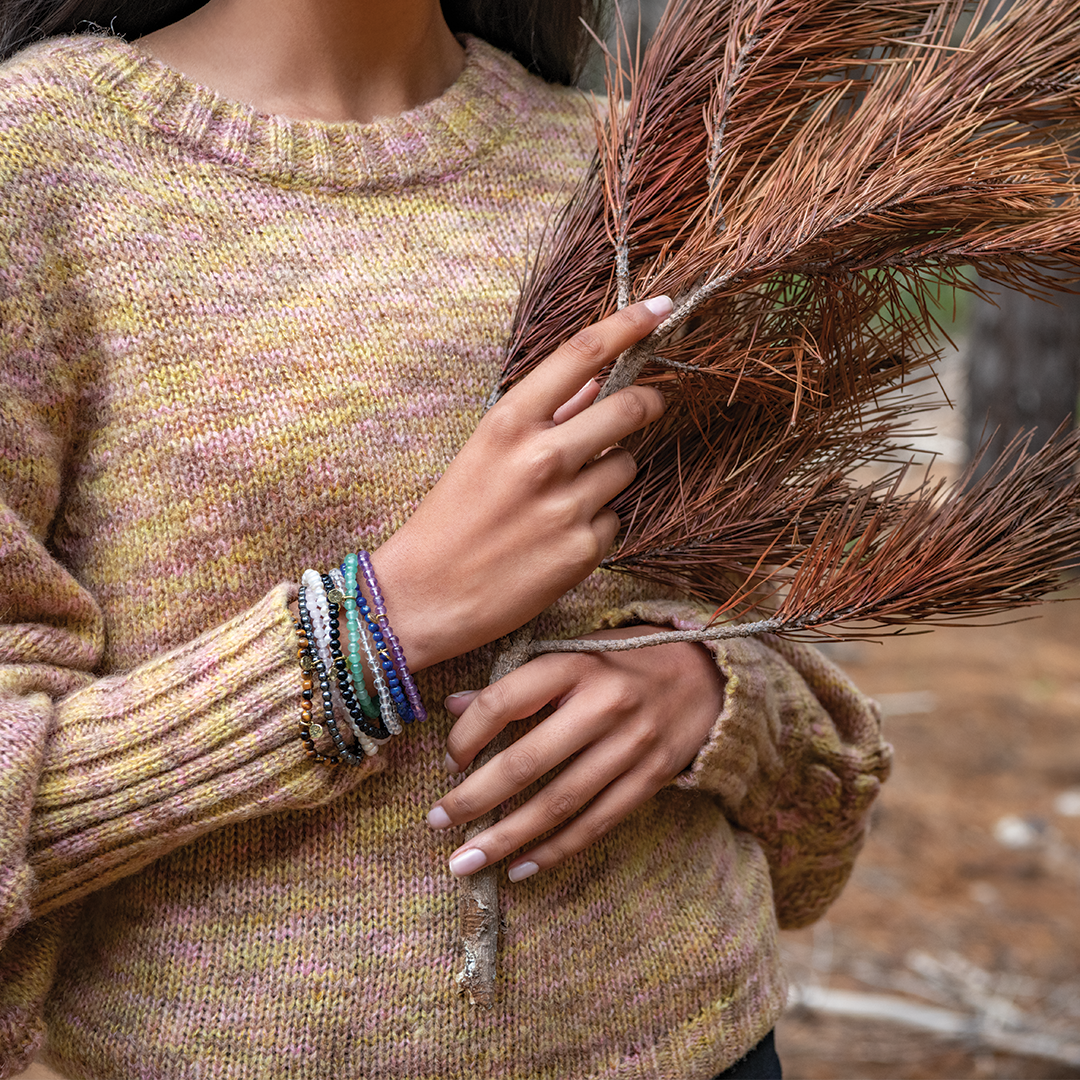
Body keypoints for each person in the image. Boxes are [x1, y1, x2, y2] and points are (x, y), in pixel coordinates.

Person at [0, 1, 892, 1077]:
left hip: (698, 1040)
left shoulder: (631, 161)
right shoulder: (39, 164)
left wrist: (713, 692)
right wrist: (366, 634)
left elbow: (820, 775)